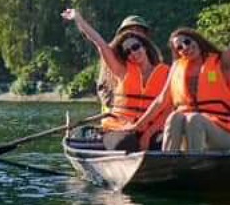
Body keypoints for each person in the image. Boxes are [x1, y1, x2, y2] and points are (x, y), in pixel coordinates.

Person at [124, 0, 230, 153]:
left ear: (195, 40)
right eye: (179, 48)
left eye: (187, 42)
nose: (185, 47)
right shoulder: (177, 68)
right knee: (175, 117)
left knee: (194, 119)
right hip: (191, 132)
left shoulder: (221, 62)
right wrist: (137, 126)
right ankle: (168, 166)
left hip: (222, 134)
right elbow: (161, 101)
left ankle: (195, 167)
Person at [63, 8, 168, 151]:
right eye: (128, 51)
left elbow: (168, 108)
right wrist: (78, 18)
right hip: (119, 127)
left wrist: (147, 135)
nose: (133, 53)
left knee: (163, 142)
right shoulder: (122, 70)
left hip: (149, 128)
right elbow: (99, 43)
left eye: (136, 47)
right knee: (127, 143)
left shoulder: (166, 72)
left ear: (145, 45)